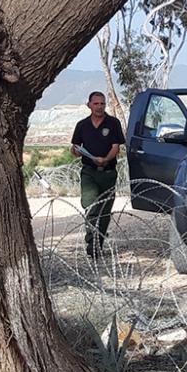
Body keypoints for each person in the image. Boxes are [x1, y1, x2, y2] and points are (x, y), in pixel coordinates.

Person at [70, 91, 125, 257]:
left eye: (102, 103)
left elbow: (116, 147)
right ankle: (91, 243)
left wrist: (105, 159)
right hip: (89, 172)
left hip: (108, 172)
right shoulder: (82, 125)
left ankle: (98, 244)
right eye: (96, 103)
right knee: (91, 207)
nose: (99, 107)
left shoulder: (113, 123)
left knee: (105, 210)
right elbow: (75, 147)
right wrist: (77, 151)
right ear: (89, 105)